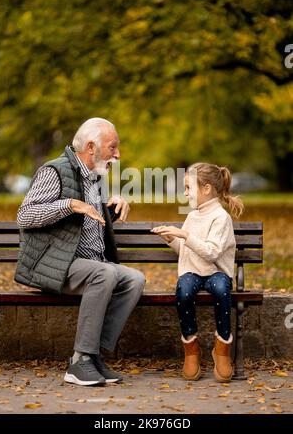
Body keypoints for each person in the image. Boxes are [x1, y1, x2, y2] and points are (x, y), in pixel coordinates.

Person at [15, 117, 145, 386]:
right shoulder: (54, 171)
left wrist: (112, 206)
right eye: (113, 147)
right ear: (91, 147)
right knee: (104, 274)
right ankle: (80, 360)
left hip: (86, 264)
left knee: (135, 279)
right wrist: (70, 204)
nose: (118, 155)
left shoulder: (95, 178)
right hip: (53, 264)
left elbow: (88, 220)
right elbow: (25, 215)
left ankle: (95, 356)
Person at [151, 162, 243, 382]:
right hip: (193, 271)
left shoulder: (221, 218)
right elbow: (186, 250)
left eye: (188, 187)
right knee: (183, 291)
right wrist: (171, 238)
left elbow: (211, 252)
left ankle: (222, 348)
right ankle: (191, 348)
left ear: (207, 188)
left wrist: (184, 235)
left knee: (222, 289)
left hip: (216, 272)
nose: (185, 193)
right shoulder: (193, 216)